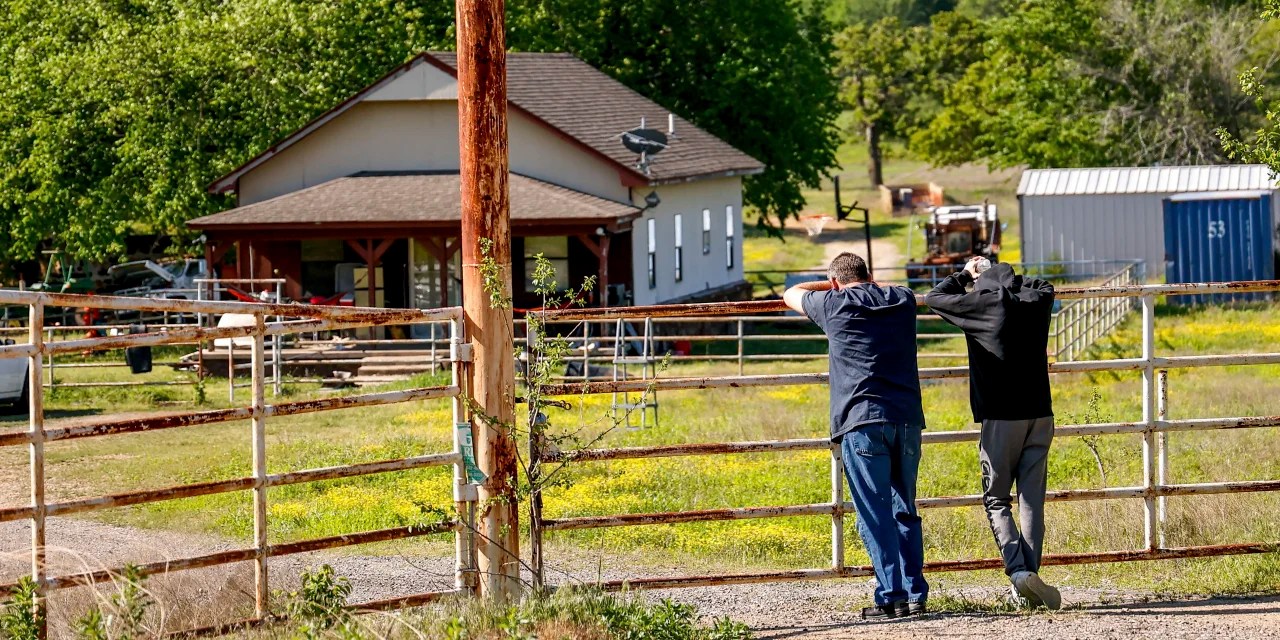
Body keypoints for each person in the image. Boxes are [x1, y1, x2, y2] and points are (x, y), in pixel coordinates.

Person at [784, 252, 928, 620]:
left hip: (861, 420)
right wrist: (871, 284)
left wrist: (830, 285)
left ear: (834, 283)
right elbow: (892, 288)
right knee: (904, 508)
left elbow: (791, 292)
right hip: (907, 419)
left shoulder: (833, 302)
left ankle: (891, 595)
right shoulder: (902, 299)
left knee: (874, 512)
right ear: (871, 275)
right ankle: (915, 594)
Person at [924, 258, 1061, 610]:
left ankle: (1018, 572)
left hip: (1001, 417)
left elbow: (934, 297)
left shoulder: (981, 302)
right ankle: (1029, 581)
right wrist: (1009, 277)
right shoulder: (1036, 299)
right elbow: (1044, 285)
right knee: (1031, 500)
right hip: (1040, 412)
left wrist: (967, 275)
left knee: (997, 499)